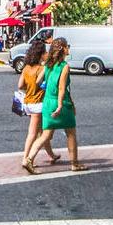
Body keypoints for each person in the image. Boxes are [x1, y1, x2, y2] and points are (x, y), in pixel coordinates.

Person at [24, 38, 83, 174]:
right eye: (67, 46)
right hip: (61, 103)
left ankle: (29, 159)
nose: (69, 48)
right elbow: (62, 88)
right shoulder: (64, 66)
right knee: (71, 134)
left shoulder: (47, 65)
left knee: (45, 135)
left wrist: (48, 87)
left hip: (47, 102)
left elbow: (38, 81)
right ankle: (74, 164)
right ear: (62, 48)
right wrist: (60, 105)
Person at [15, 40, 59, 167]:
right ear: (40, 54)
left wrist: (30, 88)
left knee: (41, 133)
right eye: (45, 52)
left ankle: (52, 155)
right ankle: (26, 159)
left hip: (27, 103)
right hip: (38, 103)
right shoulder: (42, 69)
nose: (46, 54)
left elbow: (20, 85)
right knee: (33, 134)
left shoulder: (26, 68)